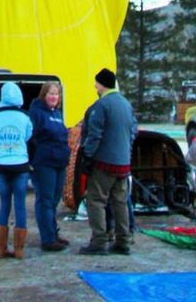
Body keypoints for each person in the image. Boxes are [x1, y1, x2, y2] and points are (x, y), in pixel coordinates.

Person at [78, 68, 137, 256]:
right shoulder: (126, 104)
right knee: (119, 202)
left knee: (96, 200)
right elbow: (133, 131)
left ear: (102, 84)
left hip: (104, 162)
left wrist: (87, 156)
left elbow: (95, 135)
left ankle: (99, 241)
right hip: (123, 163)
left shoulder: (101, 106)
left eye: (96, 83)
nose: (95, 86)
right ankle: (123, 240)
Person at [0, 82, 33, 260]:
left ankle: (0, 248)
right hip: (20, 163)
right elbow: (28, 135)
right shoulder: (25, 117)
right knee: (20, 205)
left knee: (4, 204)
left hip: (1, 164)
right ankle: (19, 249)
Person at [29, 81, 71, 252]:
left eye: (56, 94)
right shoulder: (36, 113)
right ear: (44, 95)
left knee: (54, 200)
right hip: (44, 162)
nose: (54, 97)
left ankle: (53, 232)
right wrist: (32, 159)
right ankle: (47, 239)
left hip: (60, 162)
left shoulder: (58, 114)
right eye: (51, 94)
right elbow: (30, 138)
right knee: (45, 200)